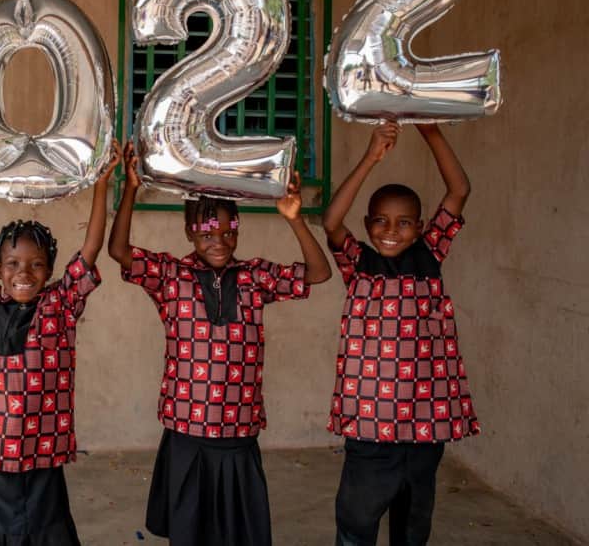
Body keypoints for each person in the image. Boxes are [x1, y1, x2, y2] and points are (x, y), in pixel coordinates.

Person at [108, 141, 332, 546]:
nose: (221, 240)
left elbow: (318, 273)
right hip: (186, 433)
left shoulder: (254, 276)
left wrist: (295, 219)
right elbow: (119, 251)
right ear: (190, 231)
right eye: (209, 231)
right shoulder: (170, 276)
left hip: (238, 434)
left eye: (230, 231)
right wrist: (130, 190)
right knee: (189, 531)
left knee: (237, 532)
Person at [0, 135, 120, 545]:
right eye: (14, 263)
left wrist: (101, 185)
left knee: (45, 525)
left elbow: (90, 251)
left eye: (37, 264)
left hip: (42, 449)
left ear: (51, 269)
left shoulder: (59, 305)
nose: (25, 272)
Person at [321, 121, 480, 546]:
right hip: (370, 427)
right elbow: (331, 221)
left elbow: (459, 189)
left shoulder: (430, 255)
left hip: (426, 427)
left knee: (412, 529)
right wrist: (371, 157)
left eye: (405, 222)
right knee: (356, 525)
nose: (391, 231)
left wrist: (429, 130)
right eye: (381, 221)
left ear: (422, 225)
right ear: (368, 222)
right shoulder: (359, 266)